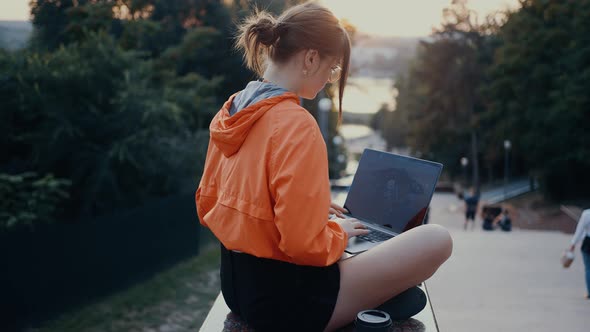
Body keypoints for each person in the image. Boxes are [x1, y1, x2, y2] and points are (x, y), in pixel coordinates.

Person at [195, 3, 453, 331]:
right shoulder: (295, 124)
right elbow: (303, 246)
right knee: (437, 239)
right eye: (332, 68)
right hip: (290, 305)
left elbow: (208, 204)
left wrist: (310, 213)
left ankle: (380, 296)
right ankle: (379, 298)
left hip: (237, 287)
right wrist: (335, 233)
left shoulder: (233, 110)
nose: (330, 79)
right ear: (311, 58)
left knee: (385, 265)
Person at [566, 209, 590, 299]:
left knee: (588, 269)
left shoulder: (587, 214)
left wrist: (573, 244)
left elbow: (579, 229)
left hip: (588, 243)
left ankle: (589, 292)